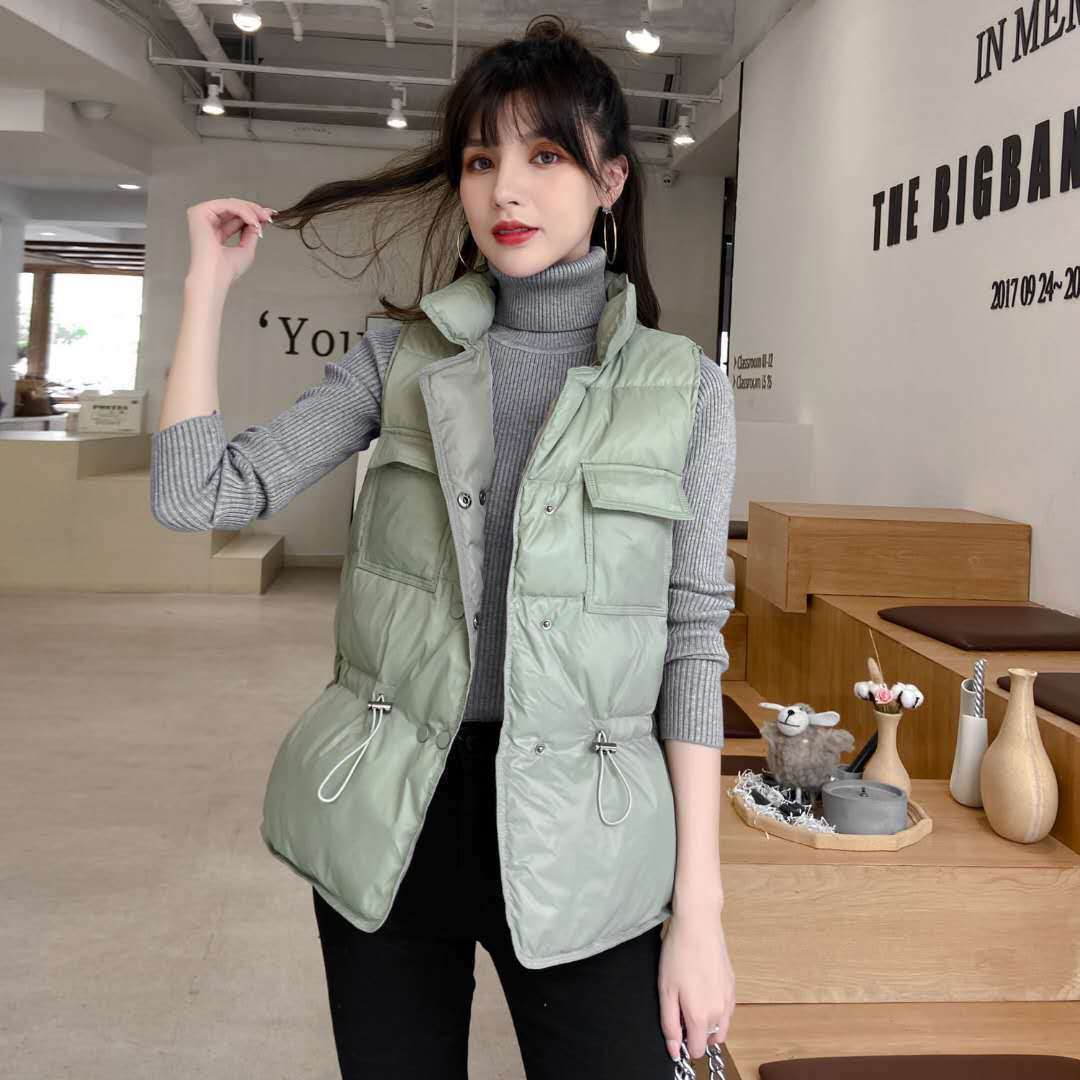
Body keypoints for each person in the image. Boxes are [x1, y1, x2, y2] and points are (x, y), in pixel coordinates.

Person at [151, 15, 736, 1078]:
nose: (506, 189)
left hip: (588, 831)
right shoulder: (401, 360)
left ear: (610, 180)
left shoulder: (685, 389)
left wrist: (699, 912)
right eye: (479, 160)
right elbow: (199, 495)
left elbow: (692, 645)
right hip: (396, 815)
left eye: (545, 156)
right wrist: (205, 290)